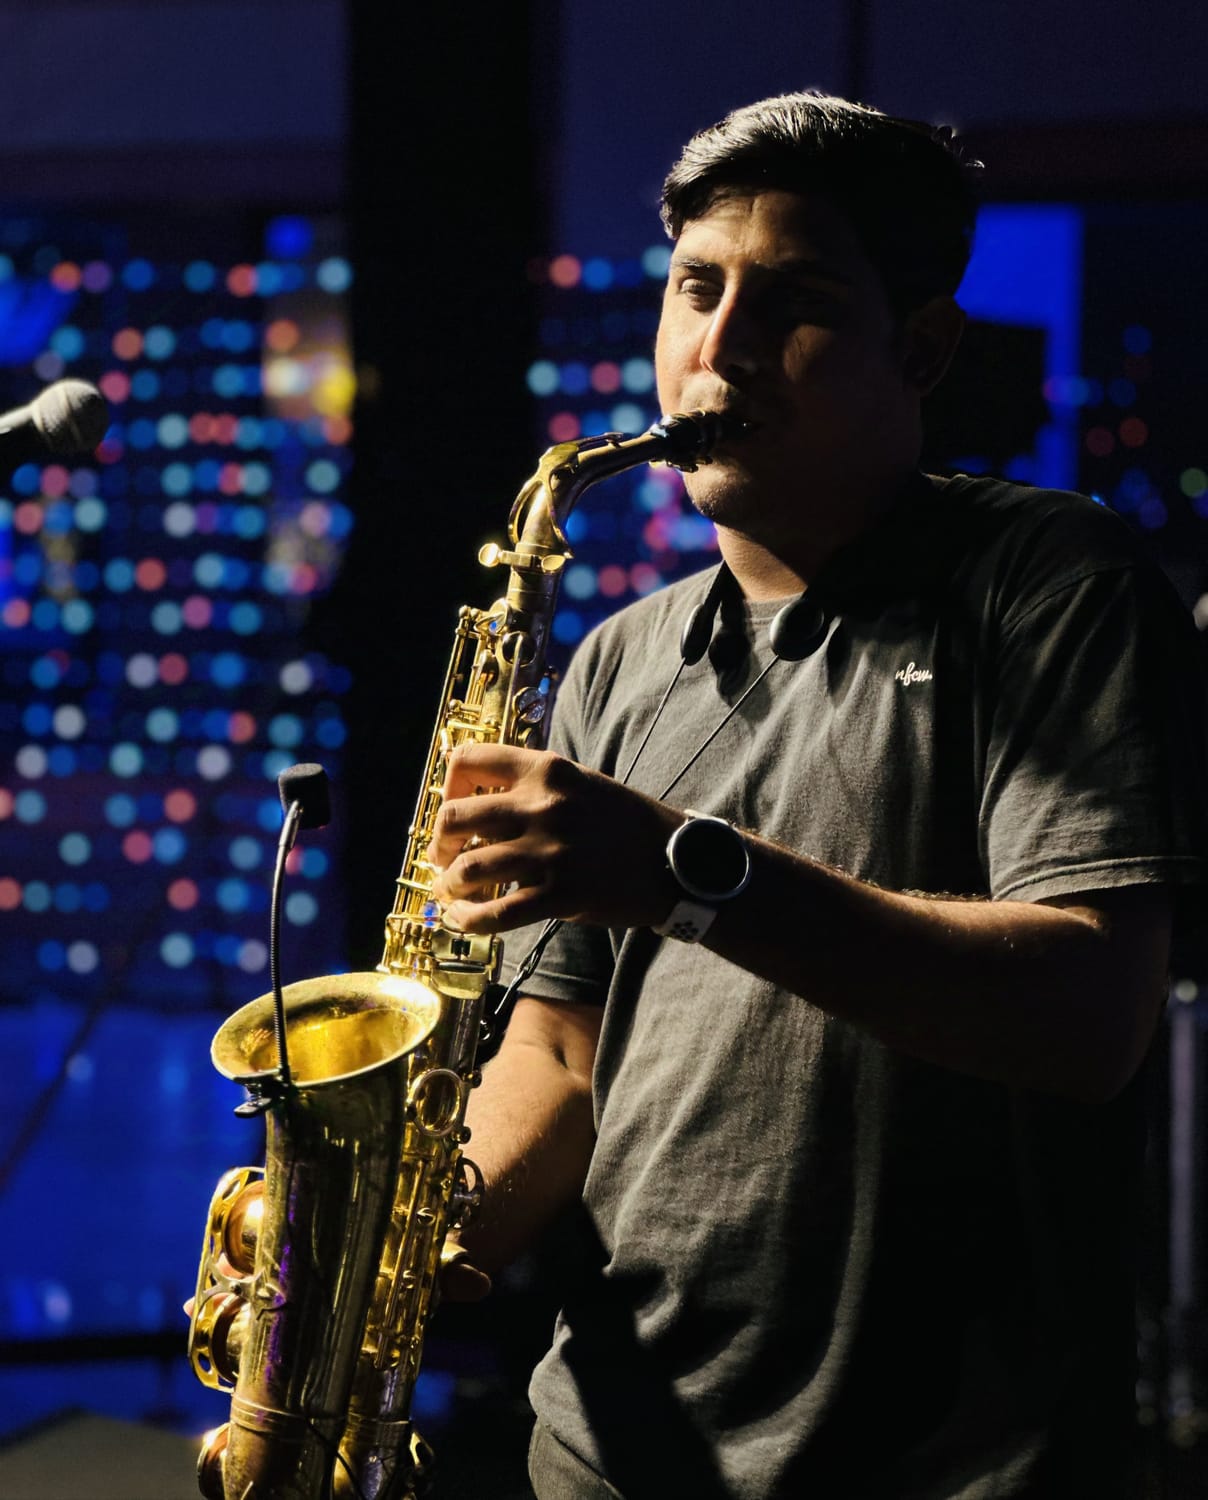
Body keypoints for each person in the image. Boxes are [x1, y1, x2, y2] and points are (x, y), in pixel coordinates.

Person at [428, 92, 1208, 1499]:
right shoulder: (619, 658)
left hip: (948, 1469)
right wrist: (417, 1236)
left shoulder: (1051, 582)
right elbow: (561, 1049)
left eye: (794, 304)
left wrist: (678, 870)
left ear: (921, 348)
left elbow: (1090, 1013)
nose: (716, 350)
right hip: (608, 1457)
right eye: (695, 289)